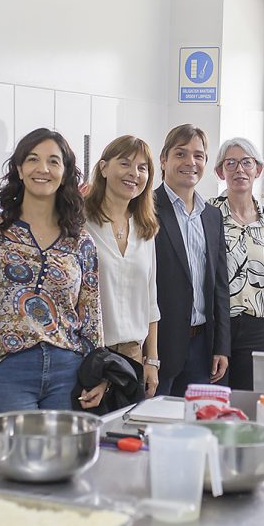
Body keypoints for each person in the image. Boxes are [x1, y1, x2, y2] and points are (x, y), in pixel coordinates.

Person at [0, 128, 103, 418]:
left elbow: (91, 315)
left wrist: (98, 373)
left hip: (68, 370)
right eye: (32, 159)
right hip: (5, 368)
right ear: (19, 169)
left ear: (65, 173)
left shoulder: (80, 241)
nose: (43, 168)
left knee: (65, 450)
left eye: (53, 161)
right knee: (13, 450)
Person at [153, 124, 230, 397]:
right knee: (153, 419)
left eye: (198, 155)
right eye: (181, 154)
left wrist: (221, 346)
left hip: (201, 347)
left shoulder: (212, 215)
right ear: (164, 160)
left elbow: (220, 285)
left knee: (197, 420)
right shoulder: (145, 209)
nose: (190, 162)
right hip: (158, 346)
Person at [84, 135, 161, 397]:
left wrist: (152, 360)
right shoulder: (81, 222)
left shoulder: (146, 228)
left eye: (142, 168)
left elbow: (151, 300)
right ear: (104, 168)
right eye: (125, 163)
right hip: (91, 356)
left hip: (133, 357)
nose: (134, 174)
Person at [209, 137, 264, 390]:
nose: (240, 169)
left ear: (258, 170)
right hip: (219, 322)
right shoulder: (208, 213)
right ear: (220, 172)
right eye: (231, 163)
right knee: (216, 398)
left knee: (248, 400)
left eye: (246, 163)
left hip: (257, 324)